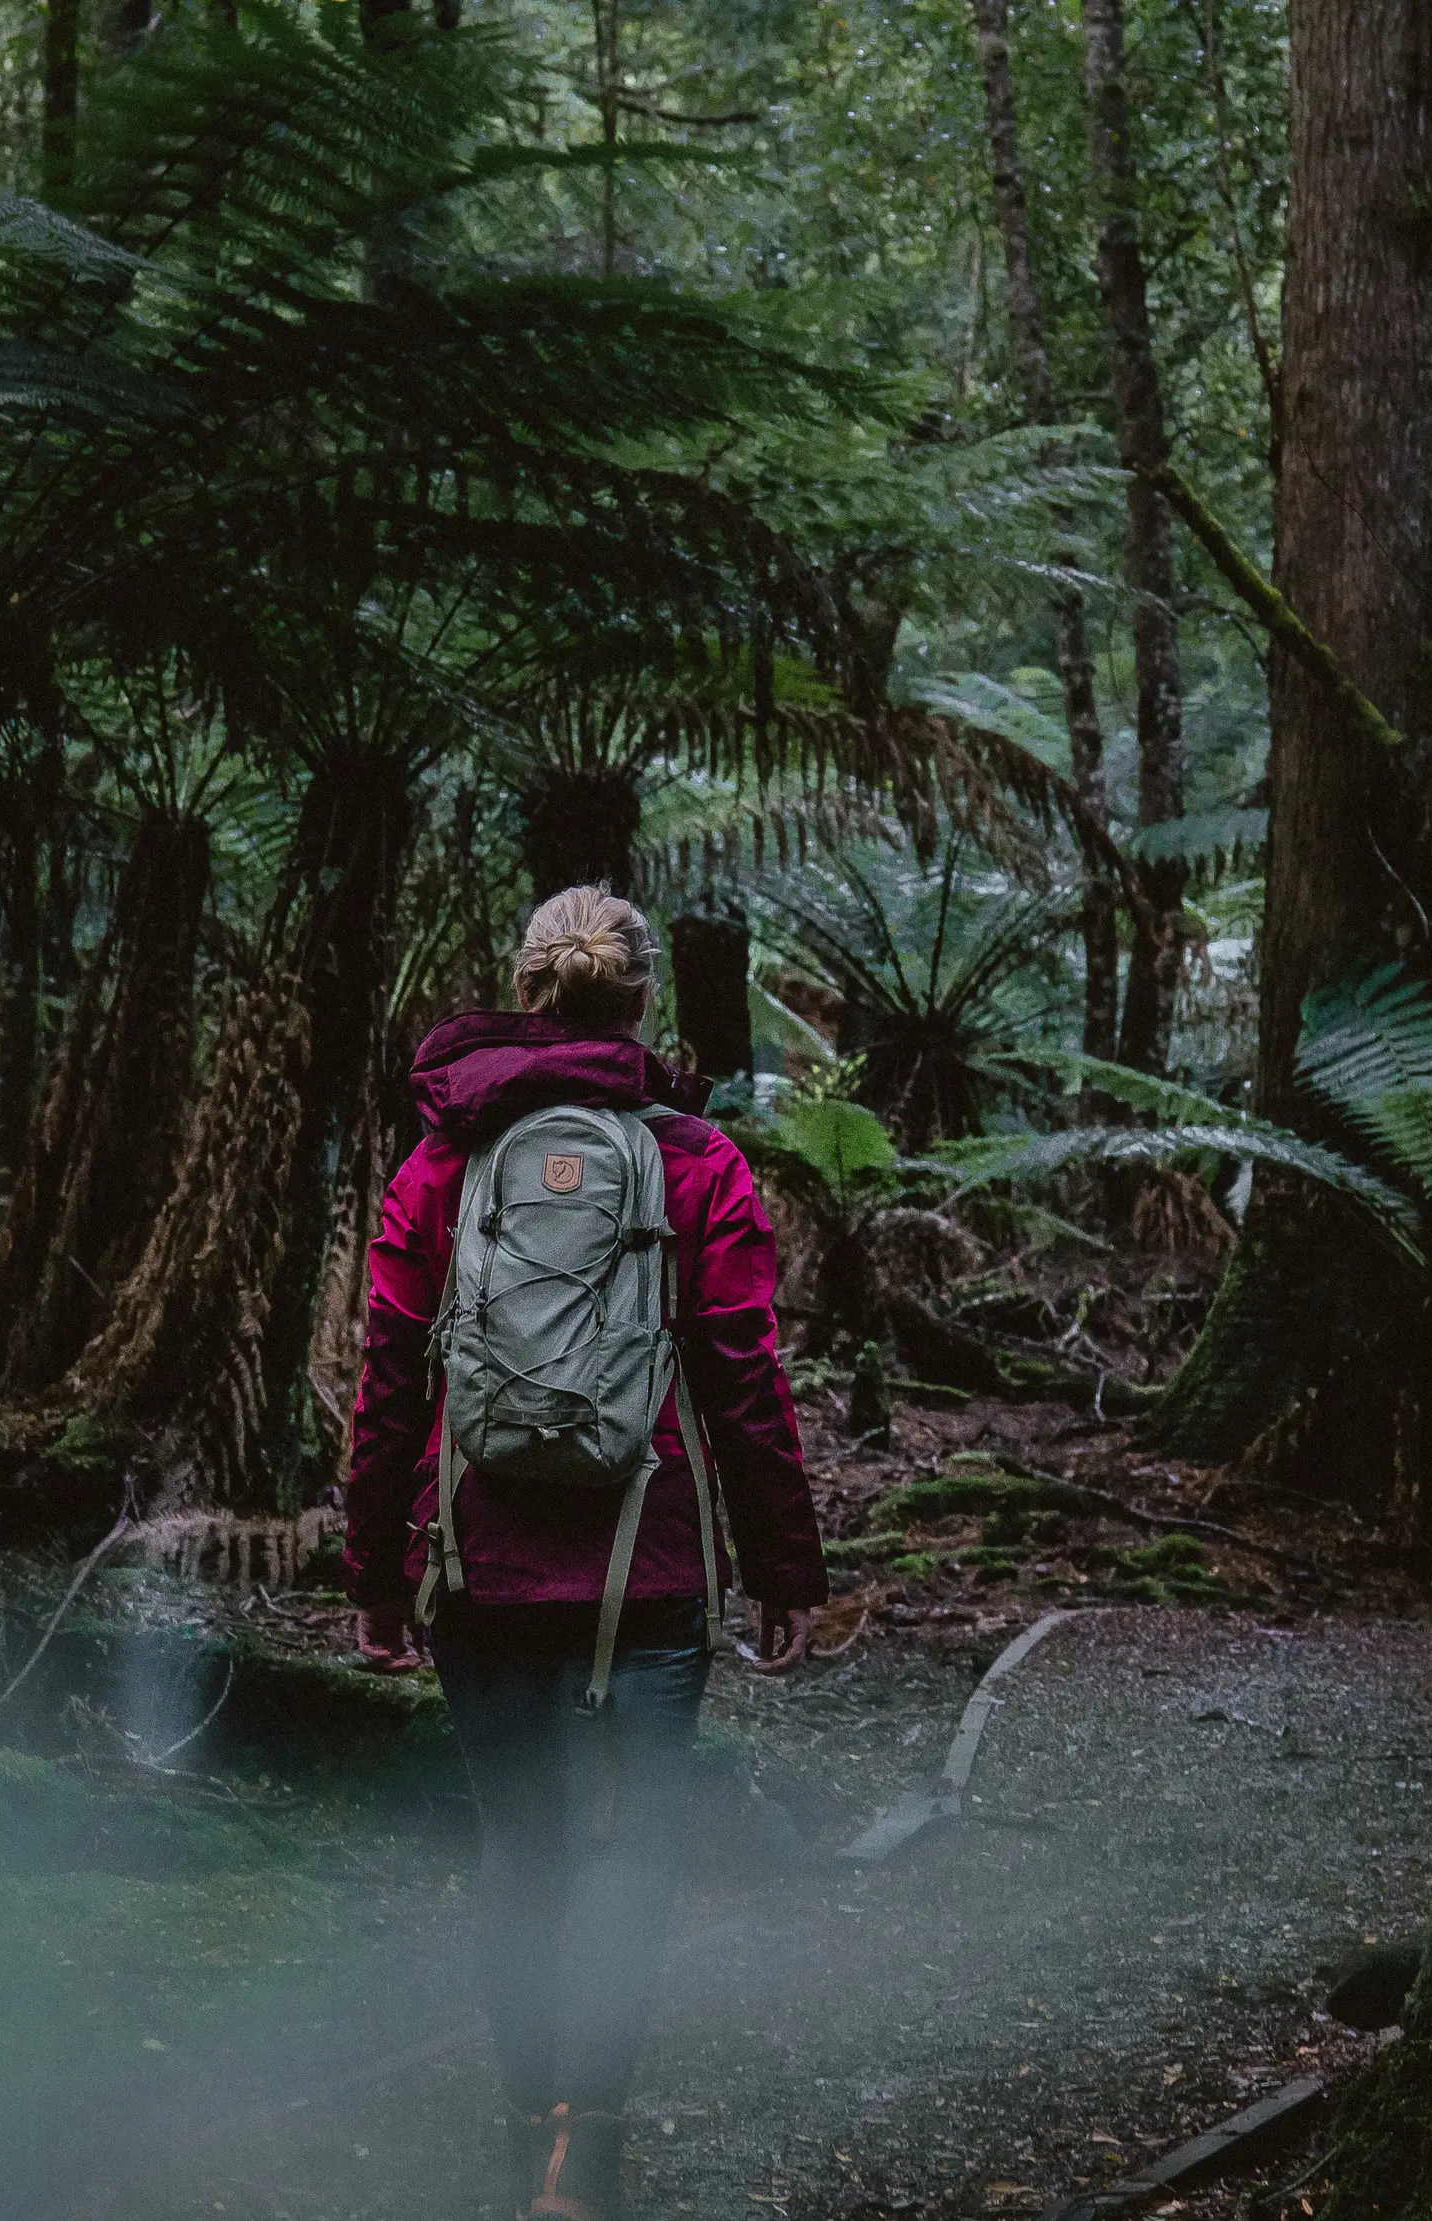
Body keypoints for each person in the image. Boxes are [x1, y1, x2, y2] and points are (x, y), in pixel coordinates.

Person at [345, 886, 827, 2221]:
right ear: (643, 1003)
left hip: (479, 1563)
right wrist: (787, 1568)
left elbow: (387, 1379)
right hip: (650, 1569)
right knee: (628, 1864)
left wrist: (376, 1578)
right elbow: (742, 1375)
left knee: (520, 1852)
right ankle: (586, 2153)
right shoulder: (696, 1164)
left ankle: (516, 2138)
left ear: (522, 988)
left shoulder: (440, 1162)